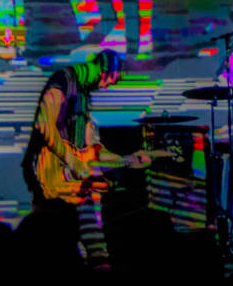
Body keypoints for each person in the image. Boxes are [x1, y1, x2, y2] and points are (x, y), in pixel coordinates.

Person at [22, 49, 152, 266]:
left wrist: (128, 160)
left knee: (87, 238)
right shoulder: (64, 79)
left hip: (71, 180)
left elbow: (92, 149)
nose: (110, 85)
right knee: (51, 237)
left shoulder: (83, 96)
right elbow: (44, 124)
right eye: (113, 79)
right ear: (105, 71)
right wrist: (72, 161)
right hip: (49, 176)